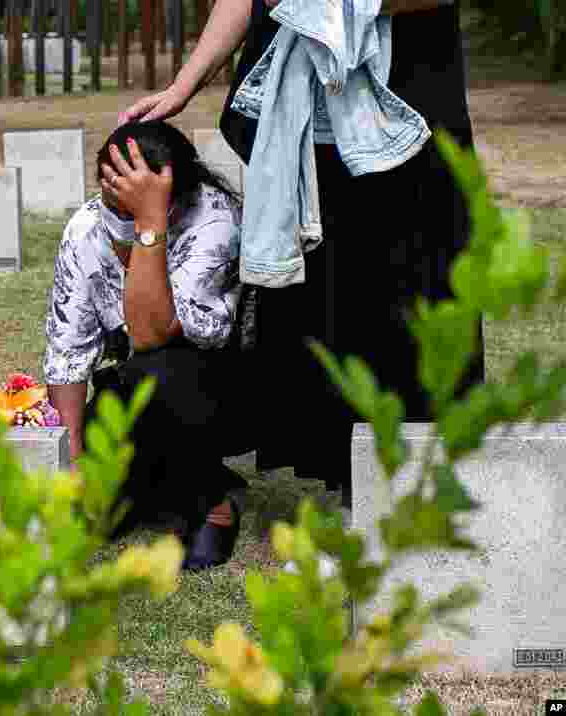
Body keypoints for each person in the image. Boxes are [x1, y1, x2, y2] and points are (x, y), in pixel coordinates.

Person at [120, 0, 484, 514]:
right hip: (310, 116)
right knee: (330, 302)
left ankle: (429, 485)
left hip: (409, 108)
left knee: (413, 297)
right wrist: (184, 85)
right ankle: (352, 486)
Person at [44, 120, 255, 571]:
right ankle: (153, 486)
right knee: (102, 517)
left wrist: (149, 223)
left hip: (216, 388)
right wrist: (76, 460)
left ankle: (212, 502)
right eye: (111, 200)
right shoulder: (85, 230)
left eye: (132, 204)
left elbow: (151, 331)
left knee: (157, 368)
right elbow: (68, 352)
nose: (116, 216)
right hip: (133, 389)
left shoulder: (213, 219)